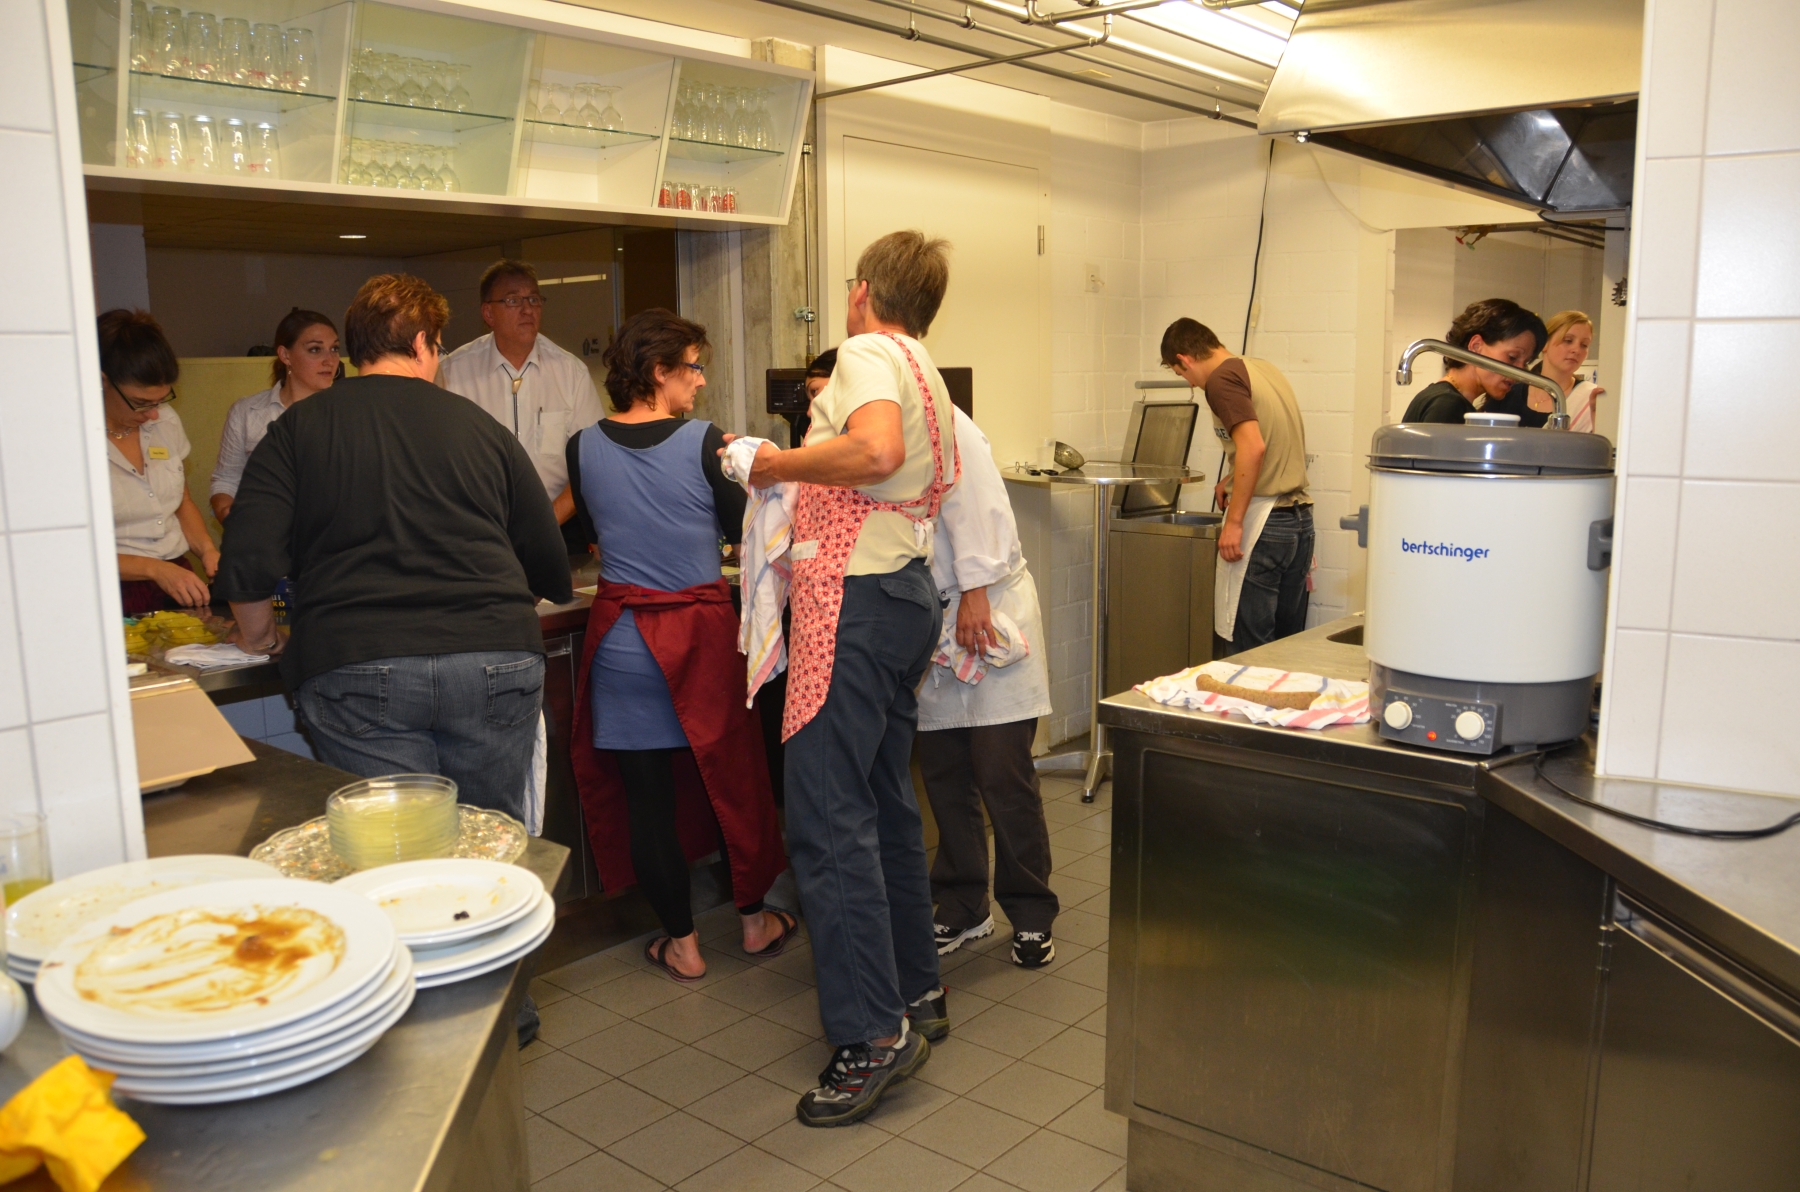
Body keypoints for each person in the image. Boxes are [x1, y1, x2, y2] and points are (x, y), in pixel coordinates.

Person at [729, 230, 959, 1127]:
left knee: (826, 821)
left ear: (862, 291)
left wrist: (771, 462)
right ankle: (915, 989)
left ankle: (872, 1035)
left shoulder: (866, 351)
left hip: (854, 604)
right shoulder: (925, 367)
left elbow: (873, 453)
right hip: (905, 595)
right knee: (884, 802)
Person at [216, 273, 572, 820]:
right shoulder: (484, 429)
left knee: (403, 844)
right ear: (422, 343)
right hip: (494, 661)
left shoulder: (297, 429)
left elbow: (247, 555)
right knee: (487, 838)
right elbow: (545, 559)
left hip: (357, 662)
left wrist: (262, 637)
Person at [562, 309, 790, 983]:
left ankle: (682, 945)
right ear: (659, 371)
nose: (701, 380)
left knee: (647, 800)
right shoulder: (706, 443)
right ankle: (754, 923)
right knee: (732, 780)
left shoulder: (581, 446)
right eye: (693, 367)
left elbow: (590, 533)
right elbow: (743, 532)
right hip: (698, 637)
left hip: (622, 642)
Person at [916, 404, 1058, 967]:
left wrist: (974, 590)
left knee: (1003, 772)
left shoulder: (946, 422)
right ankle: (963, 901)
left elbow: (981, 506)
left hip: (988, 605)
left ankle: (1031, 911)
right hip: (932, 615)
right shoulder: (872, 431)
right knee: (944, 773)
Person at [1161, 317, 1313, 654]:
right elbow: (1274, 440)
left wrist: (1233, 523)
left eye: (1181, 374)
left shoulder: (1221, 380)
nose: (1190, 384)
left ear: (1184, 359)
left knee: (1249, 653)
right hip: (1299, 520)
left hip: (1265, 526)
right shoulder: (1260, 368)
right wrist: (1231, 479)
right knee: (1284, 649)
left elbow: (1253, 448)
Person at [438, 260, 604, 532]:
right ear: (488, 313)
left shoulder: (570, 372)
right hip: (478, 529)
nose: (527, 309)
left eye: (534, 299)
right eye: (513, 300)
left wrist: (546, 524)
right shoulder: (453, 372)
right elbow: (440, 463)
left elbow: (593, 463)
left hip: (557, 526)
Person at [99, 309, 218, 615]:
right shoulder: (71, 444)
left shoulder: (166, 420)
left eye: (161, 400)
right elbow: (72, 548)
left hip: (175, 578)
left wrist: (207, 550)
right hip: (111, 589)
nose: (153, 413)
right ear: (101, 381)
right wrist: (154, 569)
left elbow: (181, 501)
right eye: (140, 403)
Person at [210, 309, 341, 521]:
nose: (330, 360)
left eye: (334, 349)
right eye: (315, 349)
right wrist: (227, 512)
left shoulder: (347, 413)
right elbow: (226, 479)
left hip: (327, 533)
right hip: (265, 528)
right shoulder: (247, 411)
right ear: (285, 355)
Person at [1400, 299, 1548, 425]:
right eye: (1512, 357)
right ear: (1476, 346)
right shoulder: (1448, 405)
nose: (1519, 372)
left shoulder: (1447, 399)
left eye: (1525, 363)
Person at [1512, 310, 1605, 433]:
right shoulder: (1509, 395)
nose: (1577, 350)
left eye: (1584, 345)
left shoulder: (1590, 399)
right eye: (1568, 340)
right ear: (1544, 343)